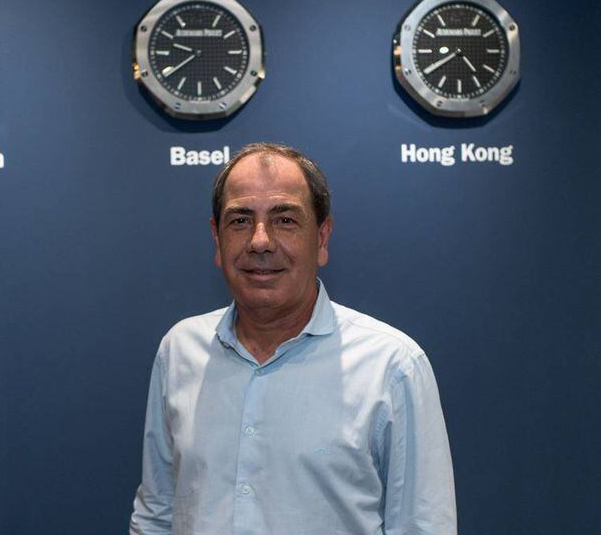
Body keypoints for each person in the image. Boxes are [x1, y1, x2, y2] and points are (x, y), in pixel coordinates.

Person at [130, 142, 457, 535]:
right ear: (217, 239)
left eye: (284, 219)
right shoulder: (180, 350)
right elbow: (157, 514)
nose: (260, 241)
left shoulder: (392, 365)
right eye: (240, 220)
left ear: (322, 238)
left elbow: (423, 527)